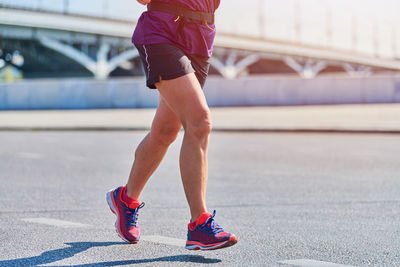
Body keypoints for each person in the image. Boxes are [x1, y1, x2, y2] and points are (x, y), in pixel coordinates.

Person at [106, 0, 237, 250]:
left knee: (165, 131)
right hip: (162, 32)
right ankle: (199, 224)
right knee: (199, 121)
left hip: (201, 37)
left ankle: (126, 199)